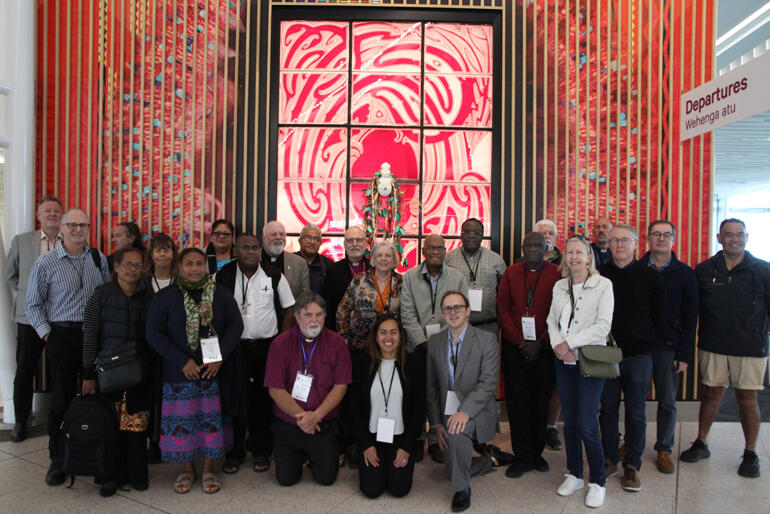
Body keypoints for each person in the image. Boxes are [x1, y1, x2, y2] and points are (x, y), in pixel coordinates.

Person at [146, 248, 243, 494]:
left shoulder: (219, 294)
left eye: (199, 264)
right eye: (188, 264)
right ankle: (187, 469)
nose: (194, 269)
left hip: (213, 369)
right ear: (179, 266)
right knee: (183, 423)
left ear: (206, 266)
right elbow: (154, 333)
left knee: (210, 422)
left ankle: (210, 468)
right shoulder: (166, 296)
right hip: (180, 372)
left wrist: (219, 356)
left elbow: (235, 325)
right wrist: (181, 361)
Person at [25, 207, 111, 486]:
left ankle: (96, 455)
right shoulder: (45, 263)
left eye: (83, 225)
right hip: (61, 335)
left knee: (96, 398)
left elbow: (108, 296)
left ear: (89, 228)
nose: (77, 230)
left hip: (94, 336)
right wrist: (48, 335)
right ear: (61, 228)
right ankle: (57, 460)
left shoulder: (99, 259)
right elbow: (33, 305)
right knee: (60, 401)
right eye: (72, 225)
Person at [681, 218, 770, 478]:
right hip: (713, 344)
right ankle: (701, 443)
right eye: (729, 234)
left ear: (746, 237)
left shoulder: (763, 270)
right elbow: (692, 309)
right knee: (711, 395)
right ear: (719, 238)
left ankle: (751, 453)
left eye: (739, 234)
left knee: (747, 399)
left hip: (751, 347)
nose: (735, 239)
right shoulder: (705, 269)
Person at [215, 233, 295, 474]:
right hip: (234, 349)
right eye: (245, 248)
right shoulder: (223, 276)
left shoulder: (273, 275)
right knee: (234, 400)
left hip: (266, 349)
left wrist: (281, 341)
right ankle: (235, 452)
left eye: (254, 248)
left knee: (263, 401)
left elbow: (290, 309)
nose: (251, 252)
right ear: (235, 250)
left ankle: (261, 450)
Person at [546, 235, 614, 508]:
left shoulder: (603, 285)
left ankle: (597, 480)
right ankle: (574, 473)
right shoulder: (560, 286)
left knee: (587, 424)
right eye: (570, 252)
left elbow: (602, 326)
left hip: (590, 360)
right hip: (563, 361)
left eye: (580, 252)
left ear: (589, 256)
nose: (574, 257)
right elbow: (552, 320)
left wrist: (569, 343)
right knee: (570, 423)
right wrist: (558, 347)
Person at [81, 247, 155, 496]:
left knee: (136, 425)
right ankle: (110, 476)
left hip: (139, 372)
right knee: (109, 427)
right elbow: (90, 336)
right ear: (116, 267)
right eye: (128, 264)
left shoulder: (148, 295)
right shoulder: (101, 295)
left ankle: (136, 475)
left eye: (138, 265)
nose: (133, 269)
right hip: (107, 372)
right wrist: (88, 374)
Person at [599, 224, 665, 492]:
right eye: (614, 240)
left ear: (636, 243)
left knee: (636, 413)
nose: (619, 245)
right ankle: (609, 458)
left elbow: (661, 317)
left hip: (638, 356)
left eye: (624, 240)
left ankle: (633, 465)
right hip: (606, 354)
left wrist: (648, 344)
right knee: (608, 410)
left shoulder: (651, 276)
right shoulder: (600, 276)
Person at [264, 291, 352, 486]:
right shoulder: (280, 343)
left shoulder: (337, 343)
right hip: (289, 424)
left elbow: (341, 386)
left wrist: (316, 416)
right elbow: (275, 389)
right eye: (308, 315)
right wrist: (303, 418)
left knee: (326, 479)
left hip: (323, 424)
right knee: (286, 480)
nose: (314, 320)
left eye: (319, 314)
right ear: (296, 317)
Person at [426, 291, 498, 512]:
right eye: (447, 308)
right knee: (451, 466)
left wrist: (464, 412)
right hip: (448, 407)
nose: (453, 312)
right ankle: (489, 460)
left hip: (476, 408)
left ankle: (461, 489)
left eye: (458, 307)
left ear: (468, 311)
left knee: (456, 434)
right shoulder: (435, 341)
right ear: (442, 313)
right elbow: (432, 387)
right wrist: (436, 424)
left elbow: (488, 383)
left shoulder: (486, 339)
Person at [497, 232, 561, 478]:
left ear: (546, 248)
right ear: (522, 248)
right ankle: (522, 456)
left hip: (545, 349)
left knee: (540, 401)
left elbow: (558, 312)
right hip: (516, 348)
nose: (533, 248)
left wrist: (540, 341)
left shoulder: (557, 274)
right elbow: (502, 308)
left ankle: (537, 454)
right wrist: (520, 341)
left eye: (538, 245)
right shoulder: (511, 272)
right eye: (529, 245)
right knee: (518, 402)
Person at [400, 234, 468, 463]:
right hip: (417, 347)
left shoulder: (457, 278)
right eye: (432, 248)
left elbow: (460, 312)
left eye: (440, 248)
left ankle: (437, 438)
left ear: (446, 250)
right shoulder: (409, 277)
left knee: (444, 392)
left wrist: (441, 341)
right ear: (423, 251)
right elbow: (407, 314)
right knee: (418, 392)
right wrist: (422, 341)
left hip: (447, 345)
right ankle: (417, 438)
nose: (436, 252)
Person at [638, 220, 698, 474]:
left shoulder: (685, 273)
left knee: (667, 401)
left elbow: (691, 316)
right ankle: (633, 444)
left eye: (666, 235)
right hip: (639, 346)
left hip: (669, 347)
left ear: (674, 239)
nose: (661, 239)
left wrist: (684, 354)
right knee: (635, 399)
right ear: (648, 238)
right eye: (656, 234)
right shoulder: (636, 269)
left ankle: (664, 448)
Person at [4, 196, 63, 442]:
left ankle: (60, 421)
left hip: (61, 316)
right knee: (25, 370)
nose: (52, 214)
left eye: (56, 211)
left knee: (62, 369)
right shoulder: (22, 241)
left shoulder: (70, 240)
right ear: (39, 215)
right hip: (29, 318)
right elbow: (11, 275)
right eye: (47, 210)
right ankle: (21, 422)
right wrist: (29, 295)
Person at [348, 313, 425, 498]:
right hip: (372, 436)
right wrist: (365, 444)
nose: (388, 338)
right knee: (371, 490)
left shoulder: (413, 364)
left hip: (401, 437)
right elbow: (354, 408)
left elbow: (419, 410)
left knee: (399, 489)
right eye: (383, 333)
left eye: (393, 332)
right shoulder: (362, 363)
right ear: (375, 336)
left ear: (401, 336)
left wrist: (407, 446)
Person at [337, 240, 403, 353]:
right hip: (359, 346)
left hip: (390, 345)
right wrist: (344, 337)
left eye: (388, 256)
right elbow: (342, 310)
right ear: (373, 259)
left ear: (394, 260)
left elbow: (407, 314)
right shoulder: (359, 279)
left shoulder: (402, 282)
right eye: (379, 255)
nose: (383, 259)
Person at [445, 218, 506, 334]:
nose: (472, 236)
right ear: (461, 235)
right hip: (456, 325)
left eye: (476, 233)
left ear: (482, 236)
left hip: (488, 325)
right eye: (467, 232)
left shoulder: (496, 260)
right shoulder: (448, 259)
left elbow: (504, 294)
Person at [323, 226, 369, 331]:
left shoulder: (374, 268)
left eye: (359, 240)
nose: (355, 244)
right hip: (341, 330)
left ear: (366, 244)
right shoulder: (333, 270)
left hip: (370, 332)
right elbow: (328, 305)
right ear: (344, 244)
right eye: (350, 240)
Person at [261, 220, 310, 299]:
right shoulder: (253, 260)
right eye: (273, 234)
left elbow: (305, 298)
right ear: (264, 238)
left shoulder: (299, 263)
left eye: (282, 234)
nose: (278, 237)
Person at [296, 224, 334, 295]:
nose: (312, 242)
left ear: (320, 243)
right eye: (308, 238)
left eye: (316, 239)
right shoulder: (290, 261)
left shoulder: (328, 264)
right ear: (299, 241)